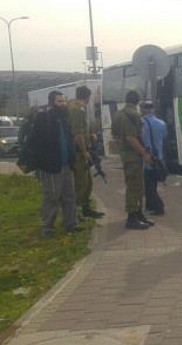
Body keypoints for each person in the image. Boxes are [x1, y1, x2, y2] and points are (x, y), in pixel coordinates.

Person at [27, 91, 81, 236]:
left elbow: (69, 139)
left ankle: (71, 223)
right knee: (51, 196)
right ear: (52, 102)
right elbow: (35, 142)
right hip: (51, 167)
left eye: (64, 101)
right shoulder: (43, 118)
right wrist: (44, 161)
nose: (63, 104)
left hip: (66, 164)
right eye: (59, 102)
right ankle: (47, 227)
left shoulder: (64, 119)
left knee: (69, 196)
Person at [112, 91, 154, 230]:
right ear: (137, 102)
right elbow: (132, 138)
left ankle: (138, 214)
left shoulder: (118, 114)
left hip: (126, 154)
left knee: (137, 186)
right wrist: (144, 153)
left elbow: (115, 134)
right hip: (133, 156)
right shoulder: (132, 115)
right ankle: (132, 218)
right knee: (134, 186)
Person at [68, 85, 104, 219]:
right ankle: (76, 214)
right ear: (87, 97)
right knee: (80, 184)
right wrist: (84, 152)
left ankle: (85, 209)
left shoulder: (74, 107)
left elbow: (82, 131)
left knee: (87, 183)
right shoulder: (77, 110)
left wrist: (90, 136)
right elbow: (77, 134)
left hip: (80, 151)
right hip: (78, 153)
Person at [140, 100, 167, 216]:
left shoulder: (141, 123)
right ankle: (150, 206)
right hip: (159, 158)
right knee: (153, 184)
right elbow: (164, 137)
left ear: (143, 110)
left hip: (148, 159)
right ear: (153, 109)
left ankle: (159, 207)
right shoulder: (161, 123)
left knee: (149, 186)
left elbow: (141, 139)